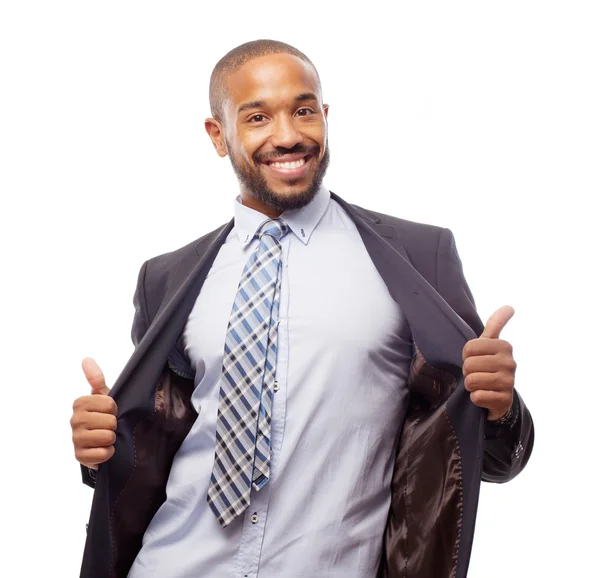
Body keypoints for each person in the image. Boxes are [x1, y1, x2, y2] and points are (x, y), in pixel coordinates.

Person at [71, 39, 534, 578]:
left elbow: (490, 459)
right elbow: (153, 450)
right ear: (218, 136)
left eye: (303, 110)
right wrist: (100, 445)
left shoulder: (417, 258)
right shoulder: (167, 278)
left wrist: (498, 406)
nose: (287, 135)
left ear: (326, 116)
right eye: (258, 117)